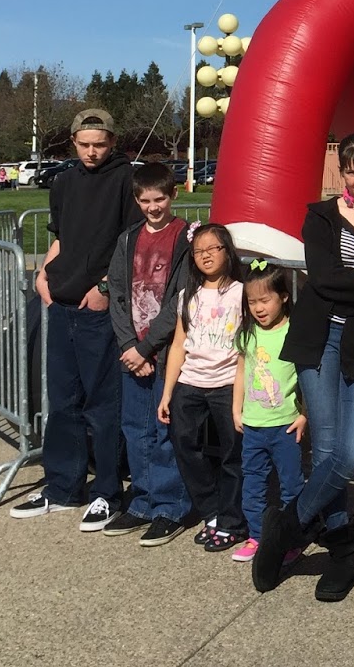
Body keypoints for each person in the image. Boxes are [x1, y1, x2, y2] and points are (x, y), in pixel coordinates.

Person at [252, 131, 354, 601]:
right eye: (352, 170)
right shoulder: (321, 217)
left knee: (350, 451)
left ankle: (287, 526)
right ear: (341, 171)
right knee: (325, 452)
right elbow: (324, 281)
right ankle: (344, 552)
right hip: (320, 339)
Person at [9, 109, 141, 528]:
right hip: (61, 303)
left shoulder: (126, 181)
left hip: (99, 308)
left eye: (99, 144)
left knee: (102, 404)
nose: (91, 152)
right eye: (84, 144)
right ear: (73, 143)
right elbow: (60, 238)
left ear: (112, 142)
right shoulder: (64, 182)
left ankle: (107, 493)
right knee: (62, 402)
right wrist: (42, 274)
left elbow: (132, 244)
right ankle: (62, 487)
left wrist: (104, 289)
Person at [103, 162, 194, 547]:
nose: (153, 207)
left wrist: (146, 348)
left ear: (173, 195)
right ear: (137, 201)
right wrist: (129, 346)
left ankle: (170, 506)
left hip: (166, 352)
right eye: (145, 201)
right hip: (133, 353)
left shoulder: (186, 237)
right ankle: (142, 501)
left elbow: (181, 300)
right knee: (135, 428)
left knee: (164, 430)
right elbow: (117, 294)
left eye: (159, 199)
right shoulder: (128, 240)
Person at [158, 223, 247, 552]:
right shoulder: (188, 296)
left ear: (227, 251)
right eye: (198, 251)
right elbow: (178, 344)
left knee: (232, 454)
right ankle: (211, 512)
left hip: (227, 384)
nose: (206, 255)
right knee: (184, 445)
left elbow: (247, 347)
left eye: (213, 248)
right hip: (190, 383)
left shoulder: (241, 293)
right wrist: (167, 392)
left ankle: (233, 521)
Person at [230, 260, 306, 565]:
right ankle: (257, 536)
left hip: (285, 426)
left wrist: (305, 414)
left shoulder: (294, 332)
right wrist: (236, 408)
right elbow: (241, 370)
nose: (258, 308)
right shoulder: (248, 334)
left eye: (265, 300)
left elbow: (308, 377)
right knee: (253, 485)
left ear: (284, 297)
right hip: (253, 426)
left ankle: (291, 540)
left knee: (292, 486)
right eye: (252, 302)